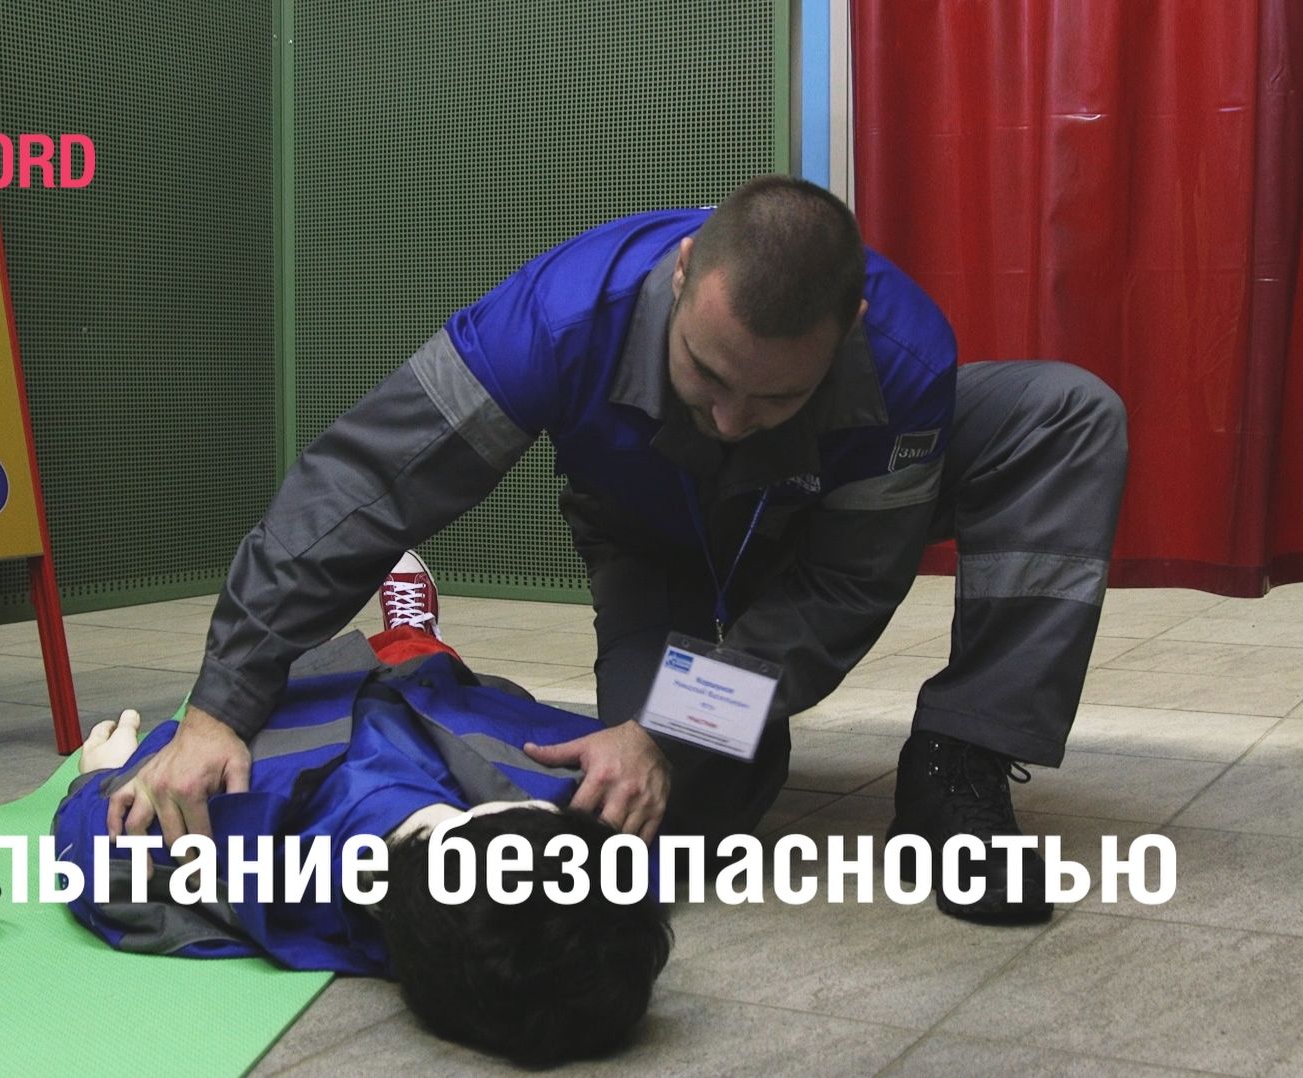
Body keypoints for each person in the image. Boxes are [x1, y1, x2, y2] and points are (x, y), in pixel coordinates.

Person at [111, 175, 1127, 923]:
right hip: (658, 543)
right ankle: (426, 651)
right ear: (683, 277)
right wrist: (222, 702)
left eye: (775, 395)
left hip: (811, 525)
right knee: (681, 811)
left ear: (848, 328)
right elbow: (361, 486)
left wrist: (664, 728)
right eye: (707, 374)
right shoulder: (556, 319)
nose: (731, 420)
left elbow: (839, 591)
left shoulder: (903, 358)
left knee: (1068, 415)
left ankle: (958, 761)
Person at [56, 557, 671, 1066]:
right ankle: (413, 631)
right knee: (426, 661)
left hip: (298, 709)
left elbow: (104, 855)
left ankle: (407, 634)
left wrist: (103, 776)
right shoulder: (458, 936)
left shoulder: (258, 863)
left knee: (364, 669)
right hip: (437, 703)